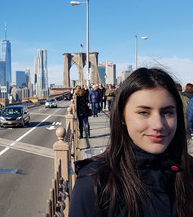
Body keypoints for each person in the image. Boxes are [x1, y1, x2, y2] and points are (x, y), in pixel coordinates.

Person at [69, 68, 193, 217]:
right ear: (122, 117)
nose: (158, 125)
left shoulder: (189, 170)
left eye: (167, 112)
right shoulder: (95, 182)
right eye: (143, 112)